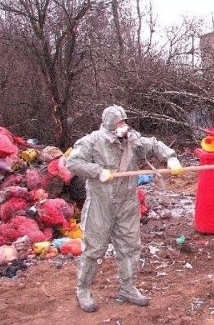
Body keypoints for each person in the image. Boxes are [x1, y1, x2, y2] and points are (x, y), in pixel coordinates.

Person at [66, 105, 183, 313]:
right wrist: (96, 171)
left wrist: (170, 156)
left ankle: (127, 288)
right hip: (101, 204)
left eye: (124, 122)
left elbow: (153, 144)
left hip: (127, 203)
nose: (123, 126)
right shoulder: (92, 141)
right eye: (119, 123)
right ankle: (83, 289)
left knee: (130, 246)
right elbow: (73, 162)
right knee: (94, 249)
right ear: (109, 124)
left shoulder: (132, 140)